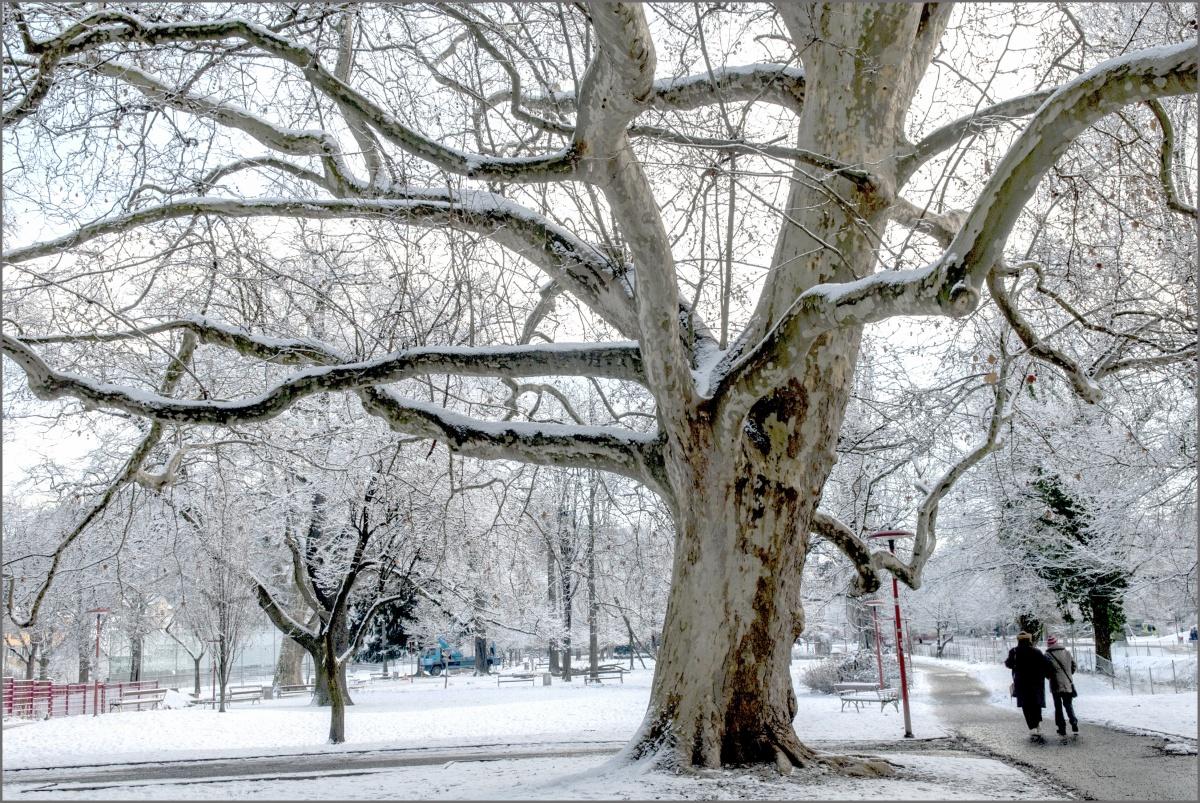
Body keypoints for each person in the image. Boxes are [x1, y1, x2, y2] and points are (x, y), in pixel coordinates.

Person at [1004, 631, 1049, 743]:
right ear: (1029, 640)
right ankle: (1038, 724)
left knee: (1026, 704)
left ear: (1018, 640)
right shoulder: (1037, 651)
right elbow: (1045, 664)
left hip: (1021, 682)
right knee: (1036, 703)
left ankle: (1032, 726)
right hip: (1036, 682)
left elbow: (1008, 664)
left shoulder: (1014, 651)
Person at [1043, 635, 1079, 739]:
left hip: (1055, 684)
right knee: (1068, 705)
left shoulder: (1047, 655)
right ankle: (1074, 724)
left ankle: (1062, 728)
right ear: (1057, 643)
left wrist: (1050, 677)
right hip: (1067, 683)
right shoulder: (1067, 652)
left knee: (1058, 707)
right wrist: (1068, 675)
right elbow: (1074, 666)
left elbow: (1046, 671)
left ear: (1049, 644)